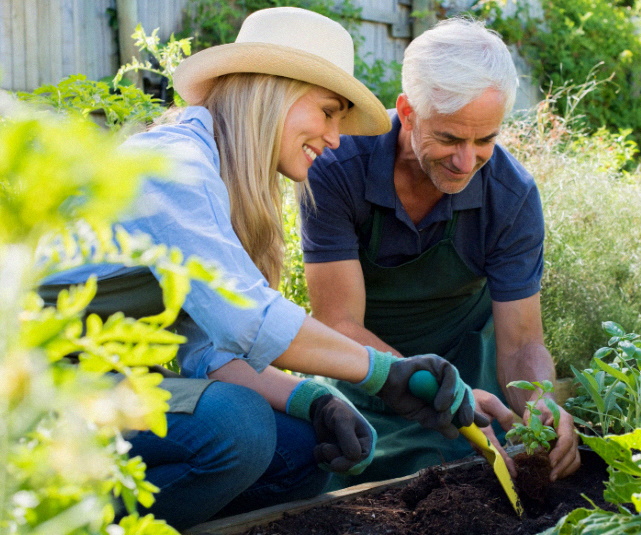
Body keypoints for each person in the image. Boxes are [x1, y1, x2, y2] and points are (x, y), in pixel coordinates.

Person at [36, 8, 486, 530]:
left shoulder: (218, 179)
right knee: (237, 425)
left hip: (101, 391)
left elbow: (203, 351)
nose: (336, 137)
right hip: (34, 396)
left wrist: (313, 400)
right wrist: (383, 373)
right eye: (327, 111)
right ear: (271, 91)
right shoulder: (172, 168)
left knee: (305, 448)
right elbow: (248, 319)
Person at [300, 17, 581, 488]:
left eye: (485, 139)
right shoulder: (338, 168)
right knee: (329, 476)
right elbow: (339, 324)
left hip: (470, 376)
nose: (466, 161)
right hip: (362, 372)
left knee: (465, 478)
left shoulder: (510, 197)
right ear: (408, 113)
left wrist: (540, 403)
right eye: (450, 138)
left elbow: (521, 343)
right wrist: (429, 389)